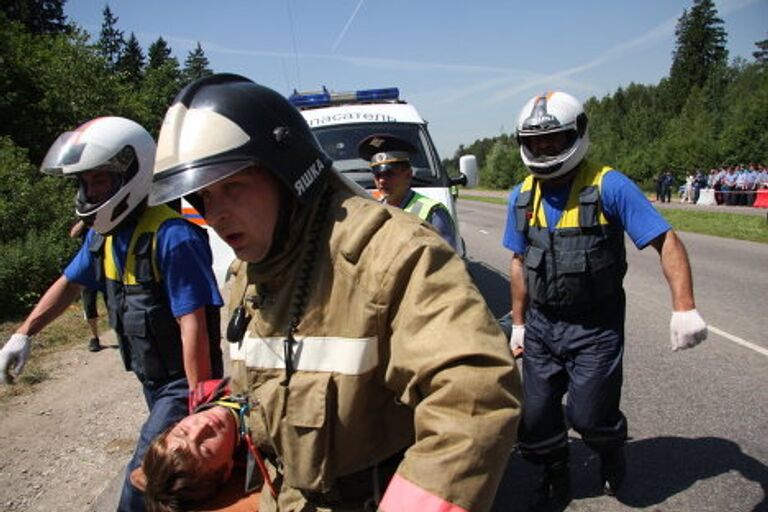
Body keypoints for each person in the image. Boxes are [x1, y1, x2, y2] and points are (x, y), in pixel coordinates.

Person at [141, 73, 522, 512]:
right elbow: (268, 389)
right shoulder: (247, 274)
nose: (218, 216)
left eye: (233, 187)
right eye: (204, 199)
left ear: (287, 175)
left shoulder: (389, 252)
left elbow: (475, 392)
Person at [0, 117, 224, 512]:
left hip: (179, 385)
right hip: (151, 382)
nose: (90, 191)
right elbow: (70, 283)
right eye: (85, 182)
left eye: (100, 180)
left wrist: (198, 404)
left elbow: (194, 327)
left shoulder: (173, 236)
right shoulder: (105, 235)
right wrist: (25, 333)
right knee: (177, 483)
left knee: (143, 479)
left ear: (132, 171)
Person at [501, 91, 708, 510]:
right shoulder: (521, 196)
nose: (543, 149)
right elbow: (520, 263)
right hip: (542, 327)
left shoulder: (609, 185)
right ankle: (555, 471)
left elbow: (665, 240)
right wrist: (519, 323)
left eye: (553, 140)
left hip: (595, 326)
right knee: (536, 420)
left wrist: (684, 306)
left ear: (576, 135)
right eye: (535, 141)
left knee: (589, 417)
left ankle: (611, 446)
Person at [357, 133, 457, 248]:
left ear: (408, 175)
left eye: (389, 174)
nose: (382, 181)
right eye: (377, 175)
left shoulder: (433, 213)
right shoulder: (374, 212)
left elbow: (446, 260)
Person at [69, 219, 105, 352]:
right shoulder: (85, 219)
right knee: (89, 304)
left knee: (114, 302)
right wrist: (86, 220)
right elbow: (73, 234)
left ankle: (122, 334)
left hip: (107, 265)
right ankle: (94, 337)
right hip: (89, 267)